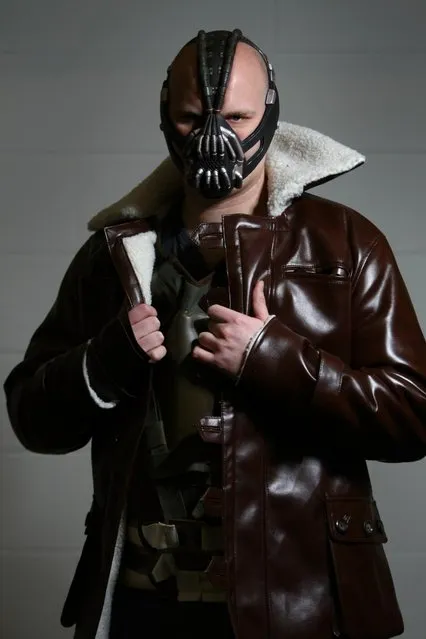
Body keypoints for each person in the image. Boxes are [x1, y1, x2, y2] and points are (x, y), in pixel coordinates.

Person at [4, 27, 426, 639]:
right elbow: (30, 417)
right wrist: (101, 367)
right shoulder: (114, 257)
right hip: (144, 605)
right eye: (192, 117)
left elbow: (415, 413)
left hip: (296, 604)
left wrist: (277, 361)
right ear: (164, 117)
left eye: (236, 115)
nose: (214, 137)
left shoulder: (347, 244)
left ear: (270, 113)